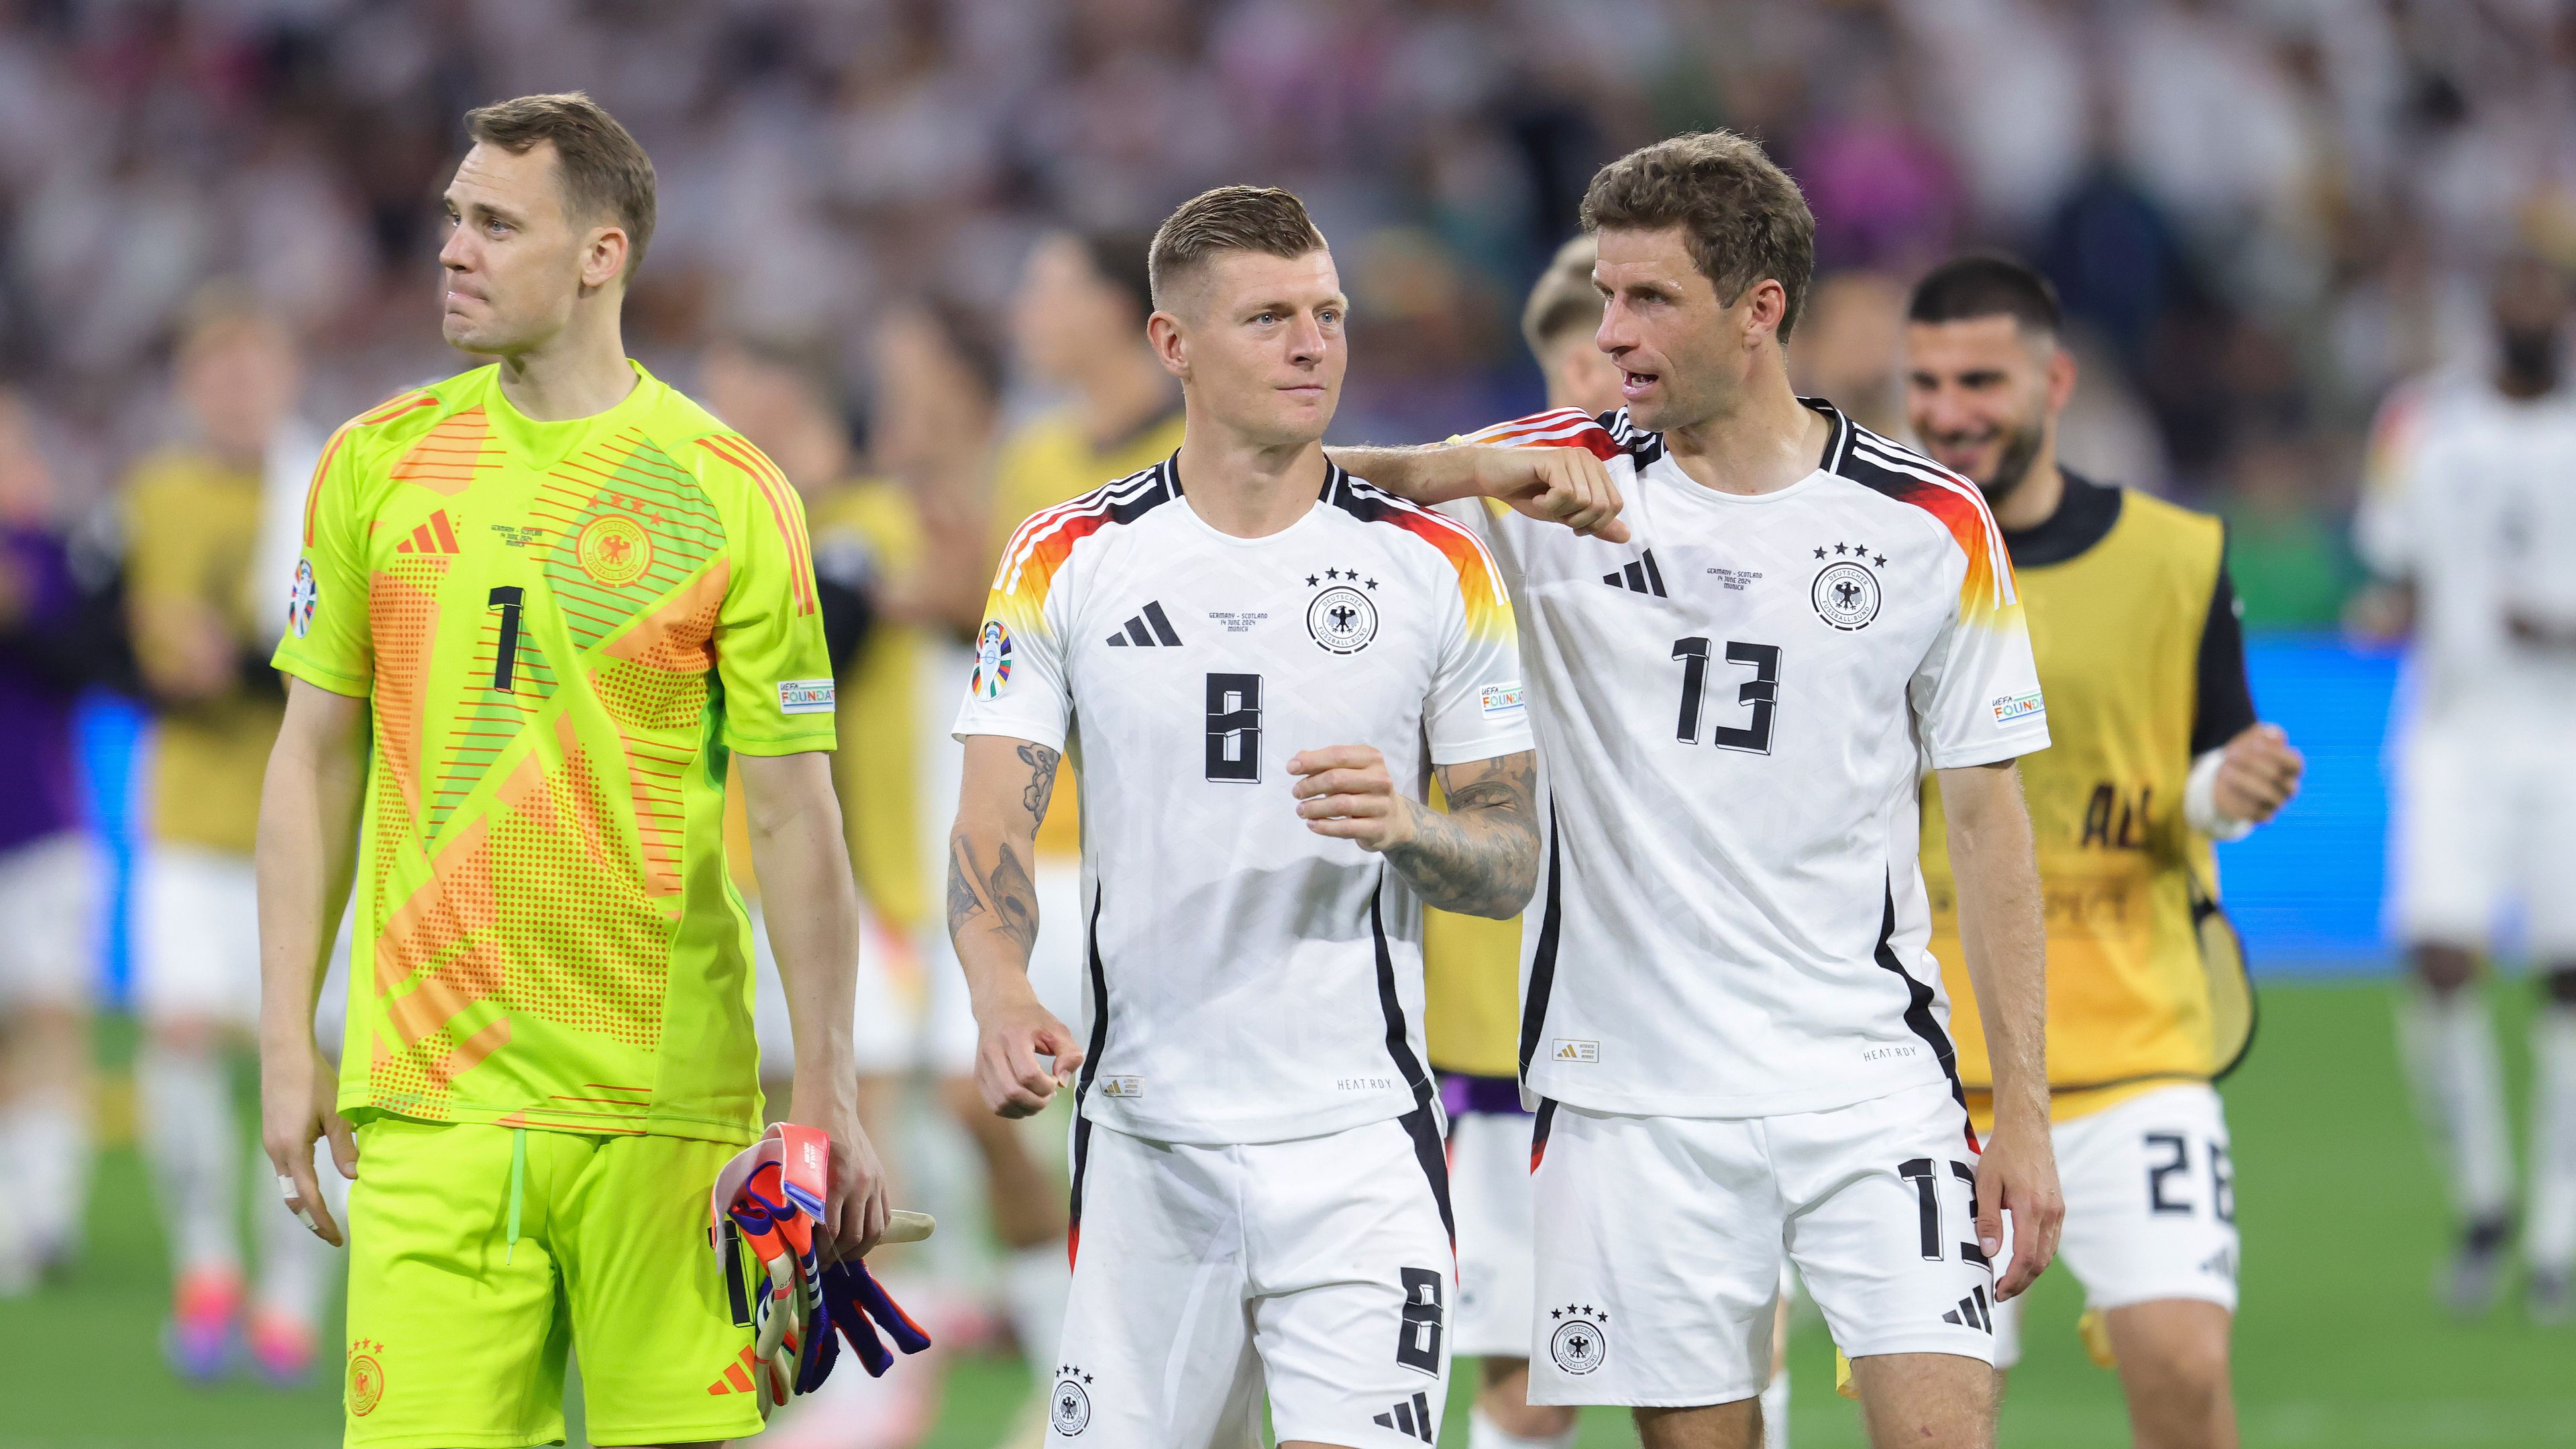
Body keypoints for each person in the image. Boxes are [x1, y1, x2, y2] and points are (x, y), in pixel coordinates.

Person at [1332, 131, 2064, 1449]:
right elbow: (1294, 492)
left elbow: (1989, 818)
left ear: (1759, 309)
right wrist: (1470, 471)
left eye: (1650, 297)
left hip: (1868, 1078)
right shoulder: (1549, 479)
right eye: (1606, 297)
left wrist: (2022, 1111)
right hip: (1632, 1095)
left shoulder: (1931, 526)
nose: (1613, 332)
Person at [256, 92, 889, 1448]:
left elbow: (794, 812)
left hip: (668, 1115)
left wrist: (827, 1095)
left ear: (602, 254)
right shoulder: (372, 464)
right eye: (452, 221)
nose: (453, 250)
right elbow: (313, 757)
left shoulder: (727, 492)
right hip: (427, 1105)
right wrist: (283, 1036)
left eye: (496, 223)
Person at [950, 185, 1540, 1449]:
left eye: (1327, 313)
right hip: (1148, 1137)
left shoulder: (1436, 564)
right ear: (1173, 346)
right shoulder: (1065, 557)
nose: (1314, 343)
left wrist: (1412, 829)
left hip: (1360, 1143)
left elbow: (1510, 863)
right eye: (1269, 317)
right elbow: (993, 821)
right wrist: (1001, 989)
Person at [1904, 254, 2303, 1448]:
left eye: (1981, 378)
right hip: (1931, 1055)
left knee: (2183, 1372)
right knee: (1938, 1414)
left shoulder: (2177, 555)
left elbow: (2210, 766)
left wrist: (2231, 790)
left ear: (2056, 380)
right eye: (1925, 383)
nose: (1950, 410)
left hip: (2135, 1040)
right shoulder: (1873, 557)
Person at [1430, 233, 1813, 1449]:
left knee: (1741, 1337)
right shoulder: (1489, 544)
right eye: (1568, 391)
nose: (1598, 415)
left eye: (1617, 375)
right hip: (1507, 1028)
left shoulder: (1758, 545)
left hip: (1728, 1016)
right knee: (1528, 1375)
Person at [2353, 252, 2576, 1324]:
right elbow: (2394, 559)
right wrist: (2390, 607)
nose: (2527, 308)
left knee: (2568, 983)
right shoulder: (2420, 422)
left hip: (2568, 737)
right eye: (2514, 288)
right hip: (2454, 732)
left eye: (2544, 292)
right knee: (2442, 959)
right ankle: (2485, 1197)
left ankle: (2557, 1228)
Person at [121, 294, 336, 1381]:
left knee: (311, 1061)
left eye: (256, 372)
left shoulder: (330, 486)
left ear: (285, 380)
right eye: (219, 374)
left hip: (312, 832)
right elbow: (144, 639)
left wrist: (245, 655)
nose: (239, 394)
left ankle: (292, 1294)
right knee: (186, 1037)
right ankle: (207, 1263)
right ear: (192, 387)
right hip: (193, 819)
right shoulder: (158, 493)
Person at [0, 390, 106, 1296]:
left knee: (47, 1016)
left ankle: (47, 1209)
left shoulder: (57, 553)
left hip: (41, 826)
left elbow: (91, 664)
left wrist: (24, 606)